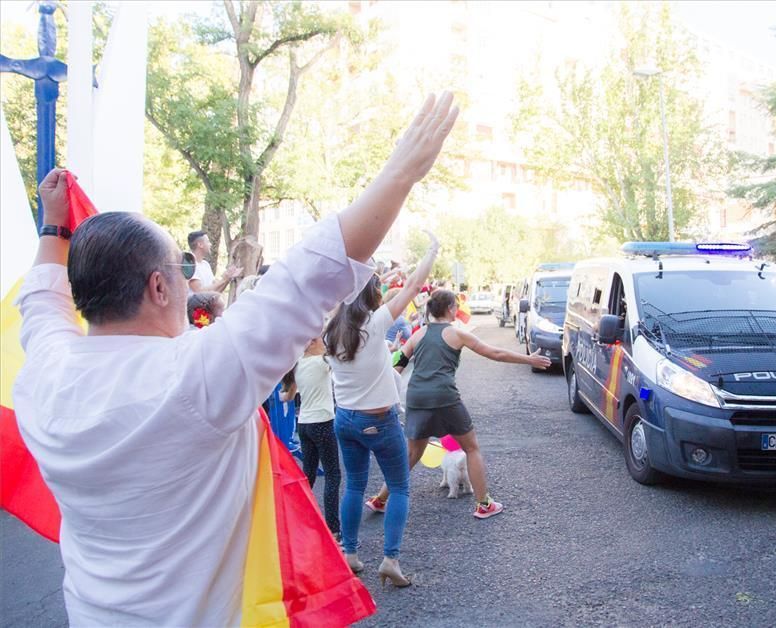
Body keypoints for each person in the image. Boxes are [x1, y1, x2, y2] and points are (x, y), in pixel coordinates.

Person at [12, 92, 459, 625]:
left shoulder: (44, 372)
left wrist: (54, 225)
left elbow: (41, 300)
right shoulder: (192, 377)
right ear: (159, 287)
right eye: (181, 268)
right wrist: (402, 171)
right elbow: (311, 274)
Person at [368, 288, 551, 521]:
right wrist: (528, 359)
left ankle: (379, 499)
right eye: (455, 306)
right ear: (450, 309)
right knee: (471, 447)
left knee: (412, 453)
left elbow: (397, 365)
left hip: (416, 397)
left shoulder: (418, 334)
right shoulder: (456, 334)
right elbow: (494, 353)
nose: (457, 309)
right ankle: (484, 504)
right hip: (444, 396)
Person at [323, 231, 441, 588]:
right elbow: (414, 286)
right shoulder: (375, 324)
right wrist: (431, 250)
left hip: (345, 419)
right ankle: (390, 559)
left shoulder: (331, 327)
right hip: (380, 419)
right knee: (399, 487)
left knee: (354, 486)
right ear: (372, 297)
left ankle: (350, 553)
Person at [280, 336, 341, 535]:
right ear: (313, 342)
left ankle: (298, 517)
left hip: (304, 424)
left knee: (309, 473)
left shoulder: (297, 365)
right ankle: (333, 529)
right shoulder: (323, 361)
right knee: (333, 475)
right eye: (322, 340)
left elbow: (287, 397)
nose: (325, 343)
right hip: (322, 422)